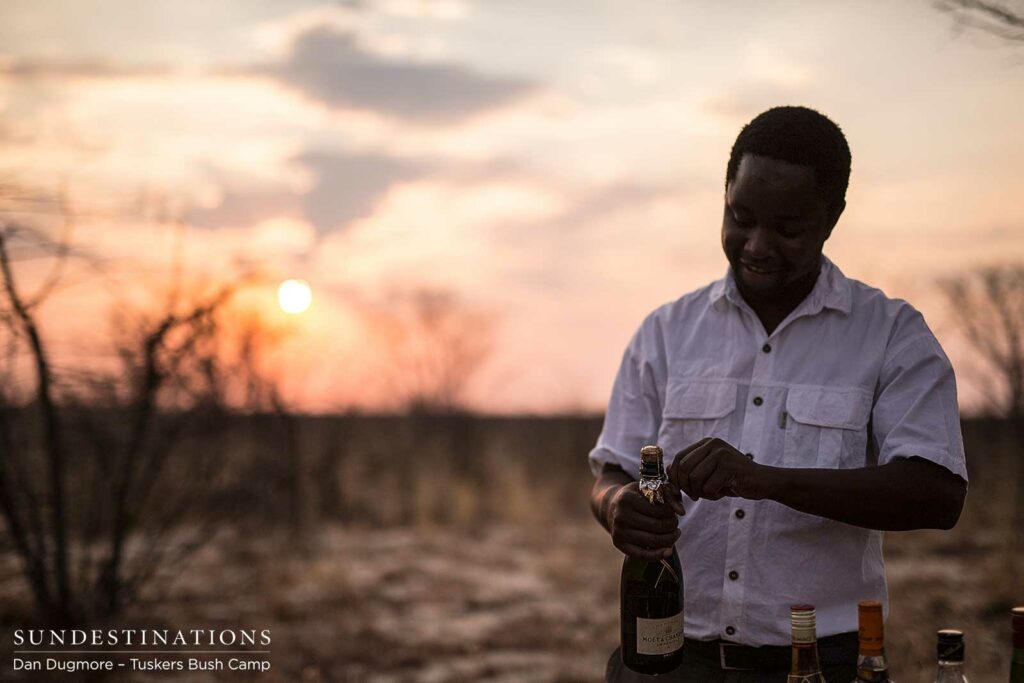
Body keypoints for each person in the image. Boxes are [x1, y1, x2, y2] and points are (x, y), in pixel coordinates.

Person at [588, 106, 968, 682]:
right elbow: (610, 472)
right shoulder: (666, 331)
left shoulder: (890, 332)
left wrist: (766, 479)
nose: (757, 245)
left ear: (831, 218)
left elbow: (937, 495)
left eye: (786, 228)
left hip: (822, 661)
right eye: (740, 217)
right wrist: (616, 506)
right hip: (669, 655)